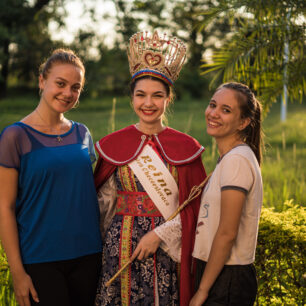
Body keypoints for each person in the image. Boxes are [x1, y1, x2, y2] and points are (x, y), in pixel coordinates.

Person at [94, 31, 207, 306]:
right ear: (132, 97)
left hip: (166, 250)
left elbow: (197, 207)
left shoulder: (185, 147)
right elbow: (102, 202)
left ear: (168, 98)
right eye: (141, 95)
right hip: (118, 246)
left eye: (157, 96)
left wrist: (160, 234)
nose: (148, 103)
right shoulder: (114, 145)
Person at [0, 49, 102, 306]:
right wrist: (18, 272)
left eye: (75, 87)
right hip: (40, 259)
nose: (68, 93)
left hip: (89, 255)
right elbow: (4, 207)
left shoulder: (82, 133)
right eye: (60, 83)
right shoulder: (15, 136)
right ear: (42, 81)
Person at [190, 82, 263, 306]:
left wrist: (202, 291)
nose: (214, 114)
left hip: (227, 279)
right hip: (218, 272)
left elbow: (227, 233)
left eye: (226, 110)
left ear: (244, 122)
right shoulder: (232, 158)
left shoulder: (237, 161)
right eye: (213, 105)